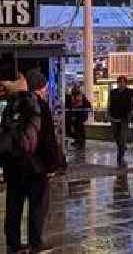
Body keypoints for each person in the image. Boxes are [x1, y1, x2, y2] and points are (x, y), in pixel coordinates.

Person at [2, 70, 60, 254]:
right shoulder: (41, 106)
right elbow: (49, 140)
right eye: (44, 88)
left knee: (13, 205)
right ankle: (36, 243)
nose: (44, 92)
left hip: (13, 166)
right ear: (39, 88)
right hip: (36, 167)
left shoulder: (11, 105)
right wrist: (52, 165)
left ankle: (13, 243)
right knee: (37, 205)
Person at [107, 76, 133, 166]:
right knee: (116, 136)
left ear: (125, 83)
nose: (121, 84)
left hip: (124, 118)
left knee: (122, 136)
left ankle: (120, 154)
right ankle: (122, 147)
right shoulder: (113, 92)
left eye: (123, 82)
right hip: (114, 118)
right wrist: (108, 114)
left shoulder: (130, 92)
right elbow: (109, 103)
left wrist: (131, 113)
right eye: (119, 82)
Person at [68, 85, 91, 150]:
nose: (74, 91)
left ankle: (81, 143)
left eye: (75, 89)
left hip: (80, 116)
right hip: (75, 115)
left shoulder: (81, 96)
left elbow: (88, 104)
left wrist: (85, 112)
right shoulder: (72, 96)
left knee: (79, 129)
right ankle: (78, 141)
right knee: (75, 129)